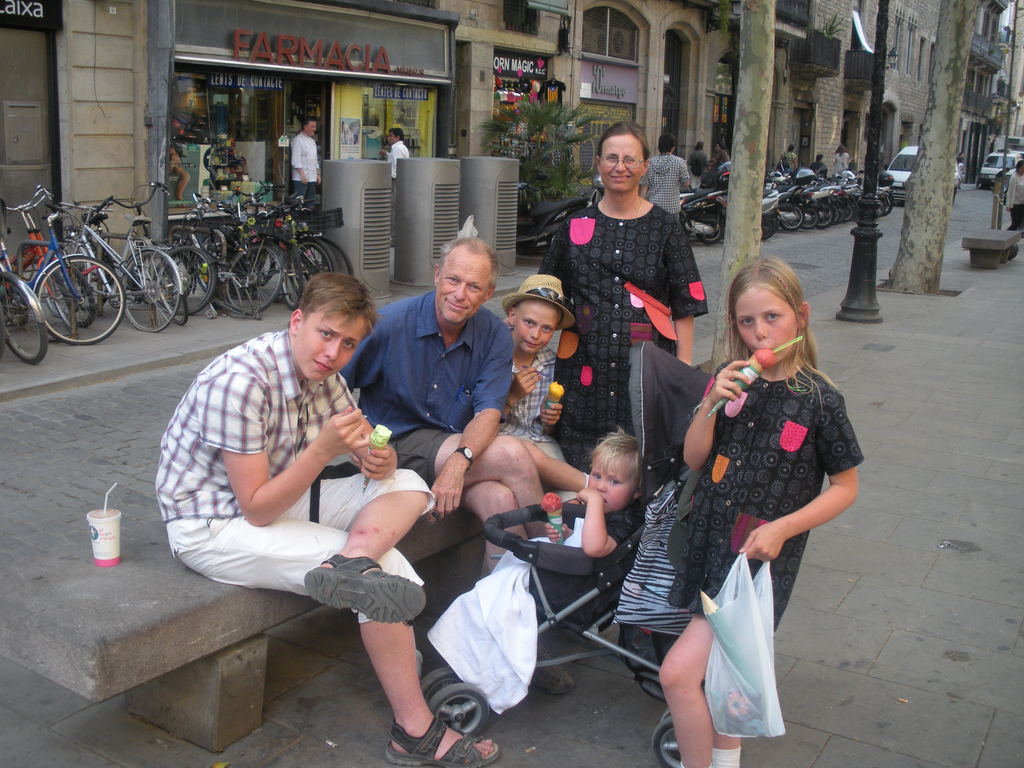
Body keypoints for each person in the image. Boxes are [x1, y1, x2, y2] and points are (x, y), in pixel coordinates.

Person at [156, 273, 499, 767]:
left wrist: (376, 462)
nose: (333, 352)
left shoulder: (325, 377)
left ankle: (352, 561)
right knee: (388, 578)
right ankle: (415, 731)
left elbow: (366, 449)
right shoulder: (241, 382)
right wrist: (321, 451)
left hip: (279, 497)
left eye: (347, 344)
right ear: (298, 322)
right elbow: (255, 506)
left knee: (409, 483)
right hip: (212, 522)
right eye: (325, 334)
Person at [659, 258, 862, 768]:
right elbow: (694, 458)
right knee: (727, 680)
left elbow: (844, 487)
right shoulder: (730, 383)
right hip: (709, 541)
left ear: (801, 316)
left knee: (679, 674)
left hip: (755, 560)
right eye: (747, 322)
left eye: (771, 317)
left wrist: (784, 527)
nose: (759, 332)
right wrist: (710, 403)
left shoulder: (820, 400)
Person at [343, 238, 544, 564]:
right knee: (511, 454)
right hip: (394, 448)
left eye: (473, 286)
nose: (459, 294)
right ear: (437, 275)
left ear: (488, 293)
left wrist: (458, 463)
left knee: (500, 498)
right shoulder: (391, 323)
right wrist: (359, 444)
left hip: (452, 449)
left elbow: (489, 412)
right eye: (453, 280)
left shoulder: (493, 334)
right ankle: (557, 561)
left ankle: (498, 603)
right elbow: (331, 389)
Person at [428, 430, 643, 704]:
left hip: (566, 588)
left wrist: (593, 509)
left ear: (636, 492)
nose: (600, 487)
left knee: (499, 598)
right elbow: (577, 540)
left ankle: (483, 668)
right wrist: (562, 534)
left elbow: (593, 547)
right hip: (560, 574)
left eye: (614, 481)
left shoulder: (622, 521)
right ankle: (462, 653)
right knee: (488, 594)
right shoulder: (604, 510)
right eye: (597, 476)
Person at [540, 121, 708, 470]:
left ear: (645, 166)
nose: (620, 167)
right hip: (583, 372)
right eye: (612, 158)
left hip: (644, 371)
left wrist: (682, 373)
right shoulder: (573, 228)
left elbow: (685, 305)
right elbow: (546, 295)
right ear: (598, 163)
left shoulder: (665, 228)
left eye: (630, 159)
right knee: (581, 468)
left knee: (639, 464)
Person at [500, 274, 586, 494]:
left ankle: (588, 498)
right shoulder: (493, 355)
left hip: (540, 442)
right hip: (502, 442)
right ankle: (596, 487)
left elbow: (546, 429)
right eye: (529, 322)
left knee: (571, 498)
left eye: (546, 328)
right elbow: (480, 420)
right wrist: (512, 396)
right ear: (512, 315)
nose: (535, 334)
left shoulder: (551, 364)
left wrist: (550, 420)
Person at [640, 133, 692, 216]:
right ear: (673, 147)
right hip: (672, 208)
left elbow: (644, 187)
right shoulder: (679, 162)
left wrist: (641, 207)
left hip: (653, 206)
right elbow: (686, 183)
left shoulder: (650, 163)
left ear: (659, 146)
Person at [290, 117, 320, 205]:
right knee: (299, 203)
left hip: (312, 177)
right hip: (300, 178)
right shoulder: (297, 140)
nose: (315, 129)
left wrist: (318, 174)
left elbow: (314, 159)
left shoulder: (312, 141)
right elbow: (295, 160)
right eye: (312, 127)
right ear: (305, 127)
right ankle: (299, 218)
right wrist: (302, 175)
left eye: (315, 127)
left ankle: (309, 218)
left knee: (310, 202)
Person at [1005, 160, 1024, 230]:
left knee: (1020, 221)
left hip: (1022, 203)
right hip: (1015, 203)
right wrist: (1008, 205)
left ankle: (1011, 234)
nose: (1023, 170)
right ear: (1018, 168)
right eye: (1022, 168)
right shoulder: (1014, 177)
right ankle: (1007, 233)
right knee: (1016, 221)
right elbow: (1010, 192)